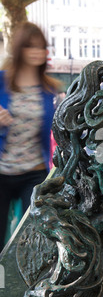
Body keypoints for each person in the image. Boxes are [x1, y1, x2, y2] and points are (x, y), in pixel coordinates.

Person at [0, 22, 61, 252]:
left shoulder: (49, 89)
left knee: (33, 239)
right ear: (19, 50)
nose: (37, 52)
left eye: (41, 47)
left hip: (33, 174)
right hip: (2, 172)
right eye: (30, 47)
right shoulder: (1, 81)